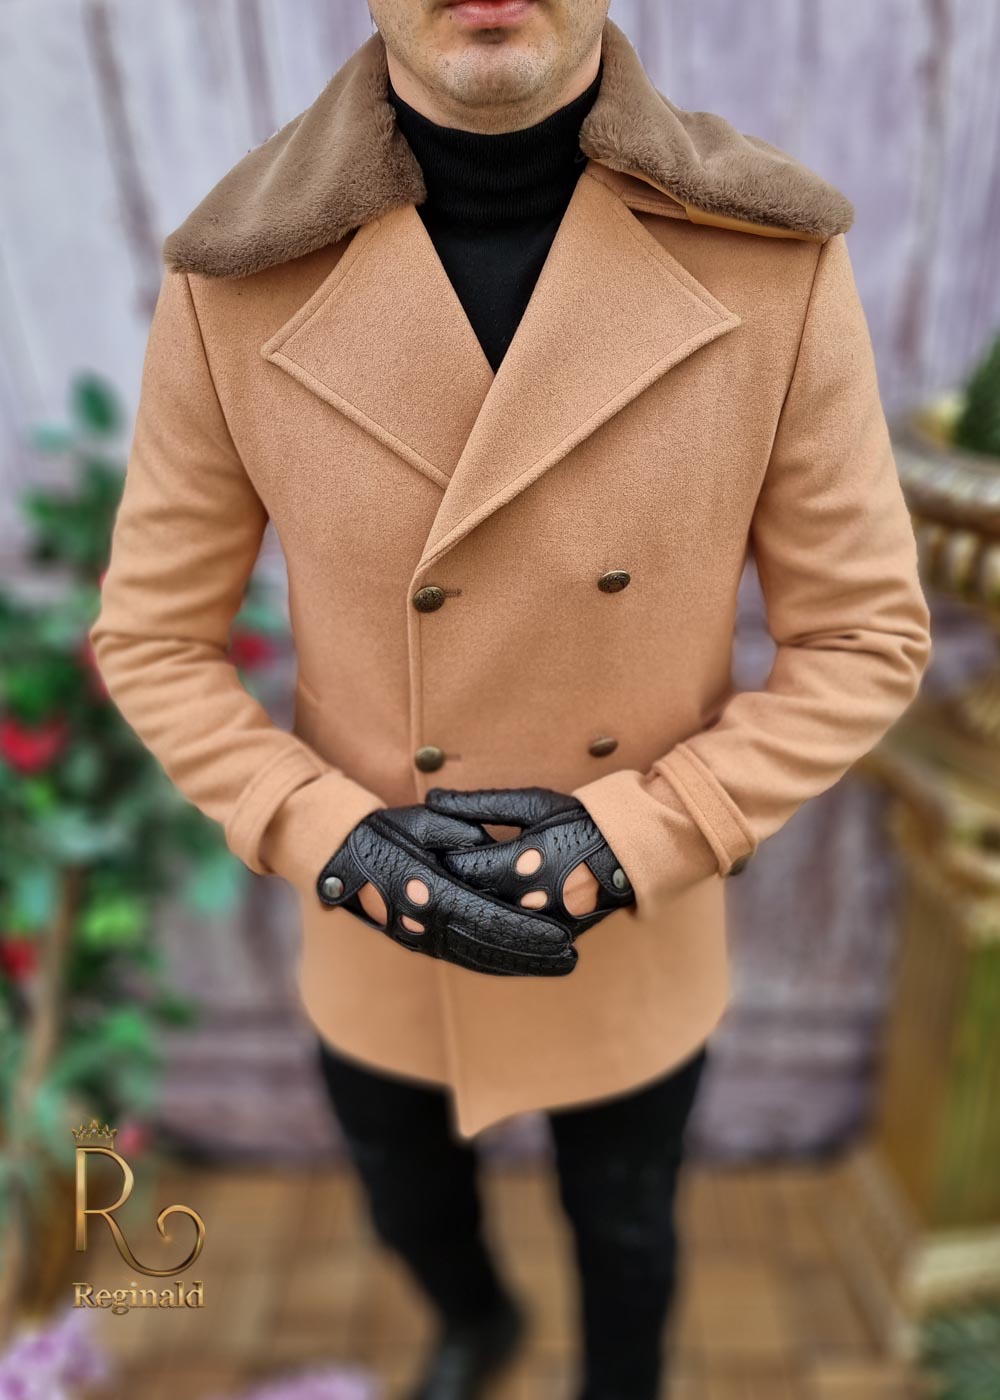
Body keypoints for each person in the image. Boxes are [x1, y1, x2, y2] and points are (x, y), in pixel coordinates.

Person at [89, 1, 933, 1397]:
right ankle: (475, 1326)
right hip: (377, 909)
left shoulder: (773, 257)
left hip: (639, 911)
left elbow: (863, 634)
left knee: (629, 1232)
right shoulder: (235, 273)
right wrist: (328, 839)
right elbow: (154, 637)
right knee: (406, 1203)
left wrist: (639, 836)